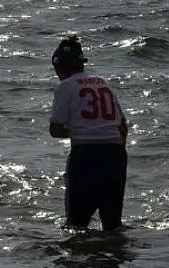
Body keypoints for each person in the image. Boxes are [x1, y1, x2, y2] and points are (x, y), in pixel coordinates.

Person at [48, 35, 129, 231]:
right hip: (116, 155)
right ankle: (113, 258)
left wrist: (81, 130)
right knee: (113, 224)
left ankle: (80, 259)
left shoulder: (65, 86)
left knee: (76, 225)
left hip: (85, 156)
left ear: (59, 67)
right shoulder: (103, 83)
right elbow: (122, 125)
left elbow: (56, 129)